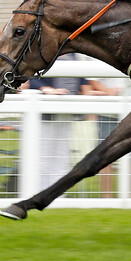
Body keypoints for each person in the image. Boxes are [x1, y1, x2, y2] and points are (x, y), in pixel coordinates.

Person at [29, 54, 89, 190]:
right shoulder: (44, 52)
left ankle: (57, 195)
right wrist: (48, 90)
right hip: (46, 113)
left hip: (66, 113)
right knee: (43, 156)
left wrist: (89, 93)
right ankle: (38, 191)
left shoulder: (74, 54)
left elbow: (82, 78)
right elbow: (32, 77)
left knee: (61, 156)